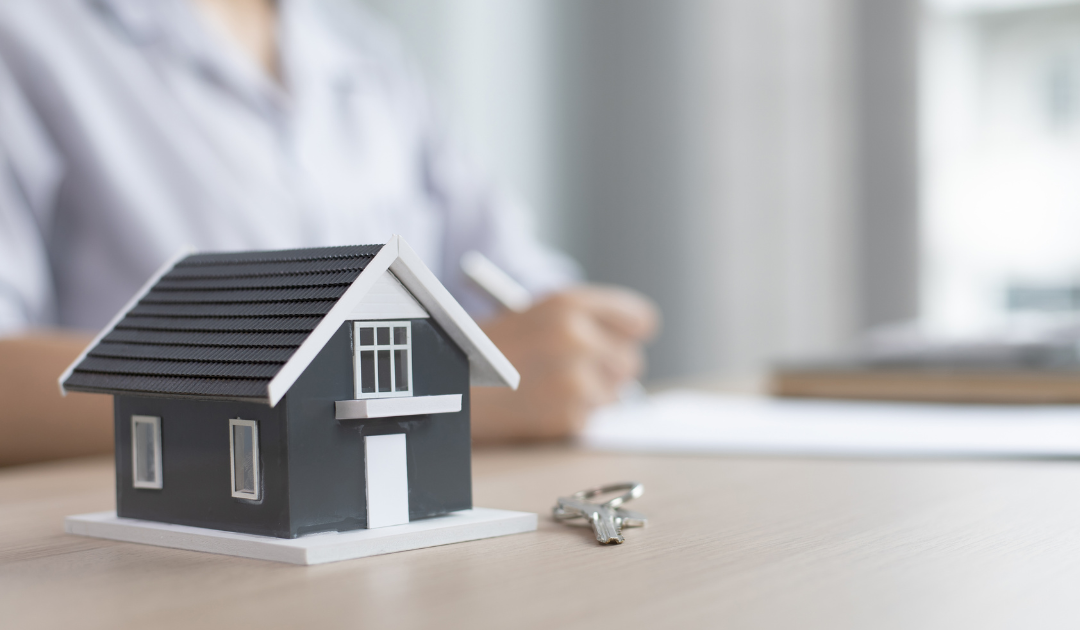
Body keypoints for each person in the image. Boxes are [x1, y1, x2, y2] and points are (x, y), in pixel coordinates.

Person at [0, 0, 658, 467]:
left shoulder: (364, 47)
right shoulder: (27, 36)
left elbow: (514, 283)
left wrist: (569, 346)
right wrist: (427, 394)